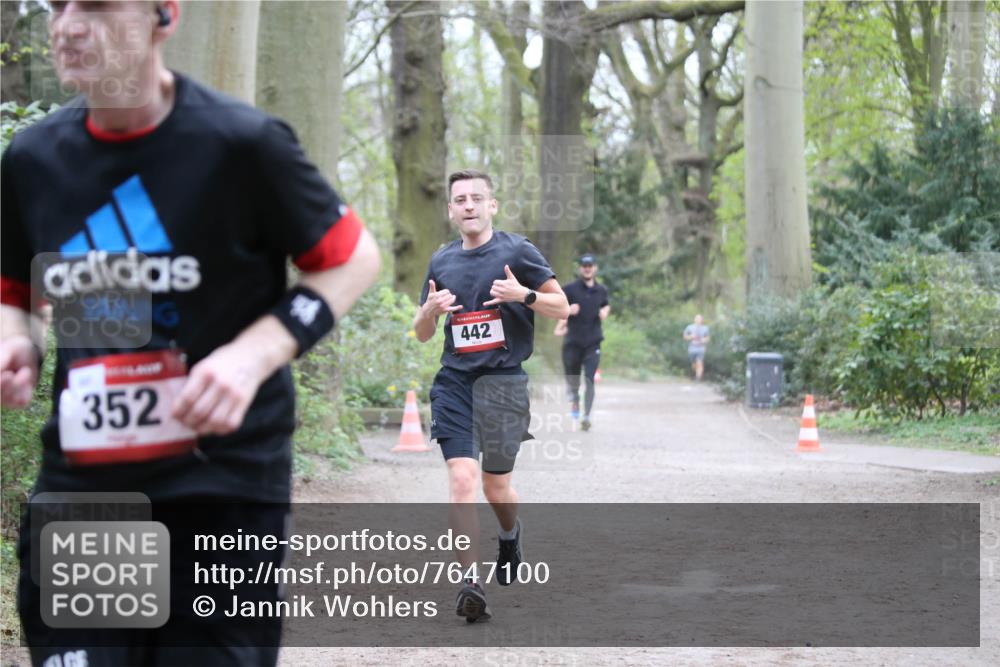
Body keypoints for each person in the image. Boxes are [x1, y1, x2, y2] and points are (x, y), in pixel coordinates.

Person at [0, 2, 380, 664]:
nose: (68, 25)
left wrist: (251, 356)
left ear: (164, 16)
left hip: (221, 488)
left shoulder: (241, 144)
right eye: (58, 4)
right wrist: (17, 341)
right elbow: (14, 290)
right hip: (88, 490)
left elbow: (351, 259)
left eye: (95, 4)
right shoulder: (33, 159)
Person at [412, 169, 569, 623]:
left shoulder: (517, 251)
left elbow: (561, 305)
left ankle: (510, 532)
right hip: (455, 384)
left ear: (492, 205)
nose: (468, 205)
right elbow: (423, 333)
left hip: (503, 384)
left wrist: (524, 295)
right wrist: (428, 311)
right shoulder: (441, 261)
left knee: (495, 487)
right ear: (450, 210)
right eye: (460, 199)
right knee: (462, 480)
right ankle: (470, 584)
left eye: (476, 198)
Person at [553, 254, 609, 431]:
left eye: (590, 266)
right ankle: (575, 400)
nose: (587, 269)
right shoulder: (569, 289)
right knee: (573, 380)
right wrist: (568, 310)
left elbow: (605, 304)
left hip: (593, 342)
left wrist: (605, 311)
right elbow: (555, 306)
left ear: (595, 268)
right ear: (580, 268)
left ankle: (587, 416)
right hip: (573, 342)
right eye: (584, 266)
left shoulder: (601, 290)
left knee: (590, 379)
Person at [683, 314, 711, 381]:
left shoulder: (705, 328)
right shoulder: (689, 327)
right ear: (694, 319)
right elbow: (685, 336)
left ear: (702, 320)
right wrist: (690, 336)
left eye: (700, 319)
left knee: (699, 363)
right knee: (694, 364)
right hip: (692, 348)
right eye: (697, 318)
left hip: (701, 348)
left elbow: (708, 338)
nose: (698, 320)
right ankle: (695, 373)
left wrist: (704, 340)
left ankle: (698, 378)